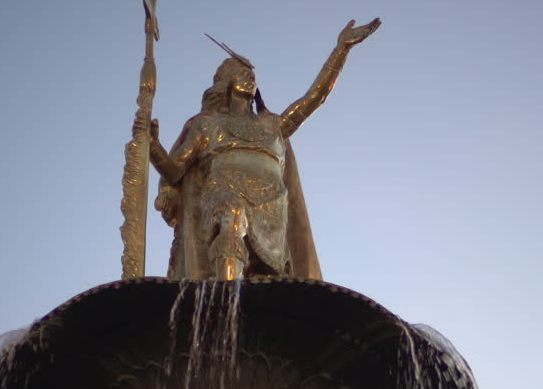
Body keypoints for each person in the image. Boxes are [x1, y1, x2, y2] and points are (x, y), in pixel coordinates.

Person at [136, 18, 380, 280]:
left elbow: (314, 98)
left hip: (271, 201)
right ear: (227, 81)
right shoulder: (207, 124)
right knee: (231, 213)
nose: (250, 78)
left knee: (266, 276)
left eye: (252, 76)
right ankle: (223, 295)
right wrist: (154, 146)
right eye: (242, 74)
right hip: (224, 189)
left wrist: (341, 50)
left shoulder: (273, 124)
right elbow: (174, 171)